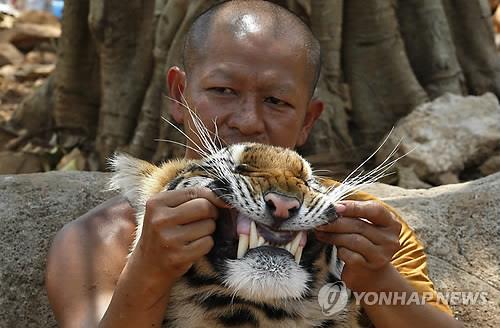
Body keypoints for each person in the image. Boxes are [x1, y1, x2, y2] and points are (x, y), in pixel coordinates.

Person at [46, 1, 463, 327]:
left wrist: (375, 278)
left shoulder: (356, 225)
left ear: (308, 120)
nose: (247, 120)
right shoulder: (104, 238)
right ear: (178, 93)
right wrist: (149, 269)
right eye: (224, 90)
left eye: (276, 101)